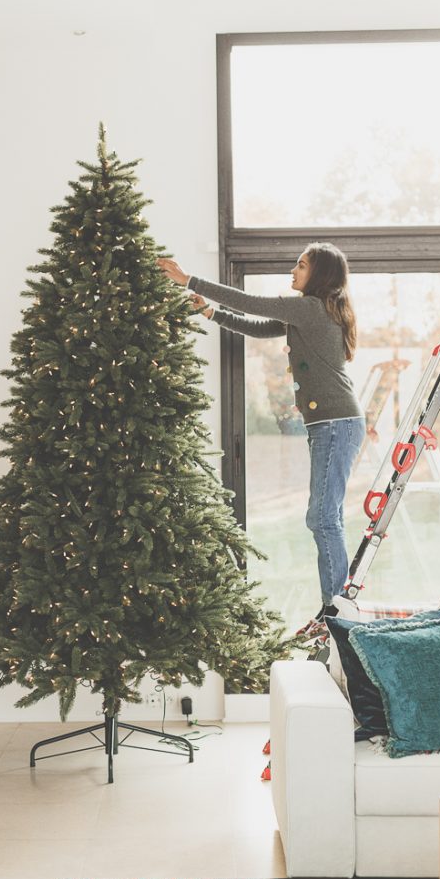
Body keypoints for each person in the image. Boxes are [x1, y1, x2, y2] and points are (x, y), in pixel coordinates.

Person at [157, 243, 365, 628]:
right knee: (326, 516)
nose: (294, 270)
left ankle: (336, 607)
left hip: (336, 424)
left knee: (322, 518)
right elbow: (255, 325)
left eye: (301, 266)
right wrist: (208, 311)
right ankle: (335, 605)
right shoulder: (310, 311)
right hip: (332, 424)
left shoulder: (308, 308)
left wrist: (189, 280)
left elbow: (251, 303)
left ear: (318, 275)